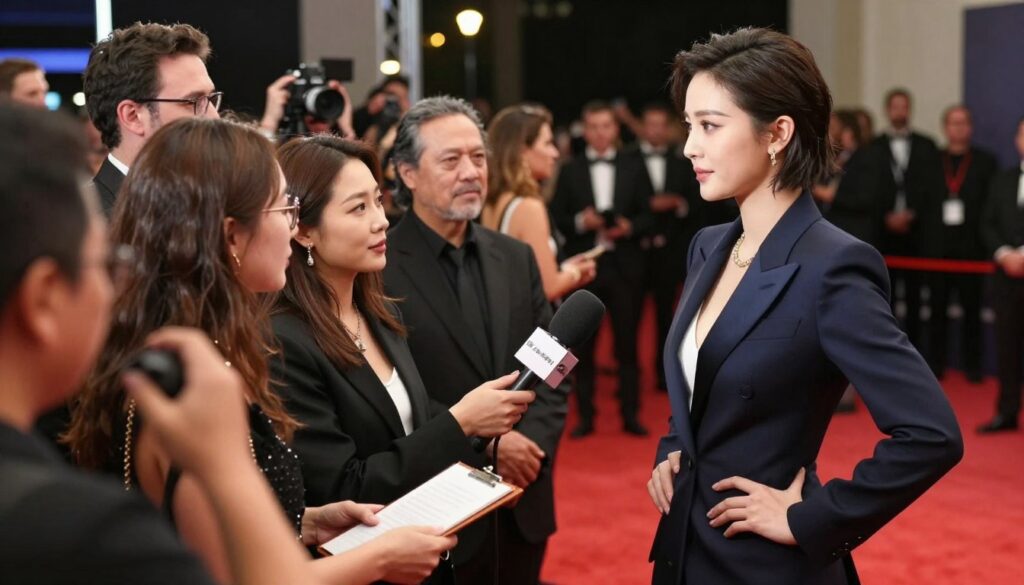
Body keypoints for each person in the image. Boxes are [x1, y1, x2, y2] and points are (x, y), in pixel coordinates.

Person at [64, 117, 457, 585]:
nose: (293, 225)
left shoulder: (194, 348)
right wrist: (380, 557)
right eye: (282, 208)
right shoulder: (195, 374)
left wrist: (304, 521)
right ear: (231, 236)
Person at [646, 28, 962, 585]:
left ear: (778, 133)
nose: (690, 146)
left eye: (710, 126)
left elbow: (931, 434)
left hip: (765, 567)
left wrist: (812, 519)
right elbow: (697, 377)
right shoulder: (707, 248)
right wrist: (673, 448)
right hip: (683, 552)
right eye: (689, 125)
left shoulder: (834, 268)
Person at [0, 103, 319, 585]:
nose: (114, 286)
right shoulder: (73, 527)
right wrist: (227, 468)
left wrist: (306, 520)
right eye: (101, 264)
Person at [270, 135, 537, 581]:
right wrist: (460, 422)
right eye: (358, 208)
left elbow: (406, 424)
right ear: (303, 229)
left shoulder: (379, 310)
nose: (380, 222)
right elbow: (341, 488)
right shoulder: (284, 340)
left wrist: (475, 432)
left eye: (378, 201)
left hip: (422, 555)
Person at [383, 96, 561, 585]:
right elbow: (391, 392)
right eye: (450, 159)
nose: (470, 172)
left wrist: (531, 446)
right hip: (436, 505)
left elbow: (553, 364)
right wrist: (486, 447)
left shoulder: (516, 256)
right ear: (408, 173)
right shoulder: (378, 267)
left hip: (523, 497)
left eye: (478, 157)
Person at [550, 100, 655, 437]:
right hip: (585, 268)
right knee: (583, 347)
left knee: (628, 343)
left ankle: (631, 414)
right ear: (585, 129)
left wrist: (629, 227)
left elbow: (650, 215)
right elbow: (556, 218)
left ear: (615, 129)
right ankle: (585, 418)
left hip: (626, 266)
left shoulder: (634, 166)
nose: (599, 133)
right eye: (593, 126)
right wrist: (583, 221)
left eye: (606, 126)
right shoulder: (571, 169)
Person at [82, 22, 221, 214]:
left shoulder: (215, 205)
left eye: (211, 99)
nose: (214, 116)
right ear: (132, 116)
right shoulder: (85, 230)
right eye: (192, 102)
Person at [480, 104, 597, 301]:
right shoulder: (528, 207)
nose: (555, 153)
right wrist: (576, 272)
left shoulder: (492, 200)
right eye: (548, 143)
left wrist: (565, 268)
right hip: (532, 326)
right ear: (522, 150)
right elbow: (548, 288)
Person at [629, 102, 700, 391]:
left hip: (671, 250)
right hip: (633, 251)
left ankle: (663, 373)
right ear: (642, 127)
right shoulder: (627, 160)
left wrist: (678, 204)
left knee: (667, 316)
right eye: (650, 124)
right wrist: (649, 205)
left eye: (661, 124)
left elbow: (697, 203)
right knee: (628, 317)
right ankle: (628, 377)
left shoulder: (684, 162)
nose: (656, 130)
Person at [926, 105, 997, 382]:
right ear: (945, 128)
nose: (958, 128)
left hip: (971, 250)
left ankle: (973, 366)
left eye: (963, 123)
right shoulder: (932, 160)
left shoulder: (985, 162)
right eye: (953, 123)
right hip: (937, 250)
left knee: (972, 310)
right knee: (937, 311)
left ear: (971, 127)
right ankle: (935, 365)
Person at [978, 116, 1024, 433]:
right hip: (1005, 278)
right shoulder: (1002, 179)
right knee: (1007, 349)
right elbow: (986, 222)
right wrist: (1004, 254)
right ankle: (1007, 412)